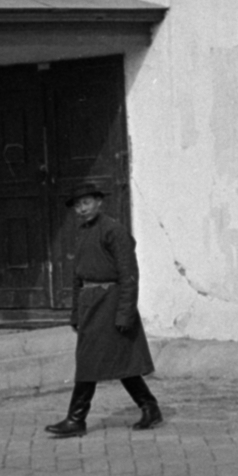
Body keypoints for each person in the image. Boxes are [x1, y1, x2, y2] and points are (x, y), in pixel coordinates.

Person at [46, 181, 162, 438]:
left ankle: (76, 419)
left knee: (91, 361)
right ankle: (150, 407)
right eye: (77, 205)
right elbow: (79, 277)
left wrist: (124, 313)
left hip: (110, 303)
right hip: (90, 305)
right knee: (120, 362)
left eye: (86, 202)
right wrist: (76, 312)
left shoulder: (114, 231)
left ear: (99, 202)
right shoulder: (83, 233)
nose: (82, 209)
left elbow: (129, 274)